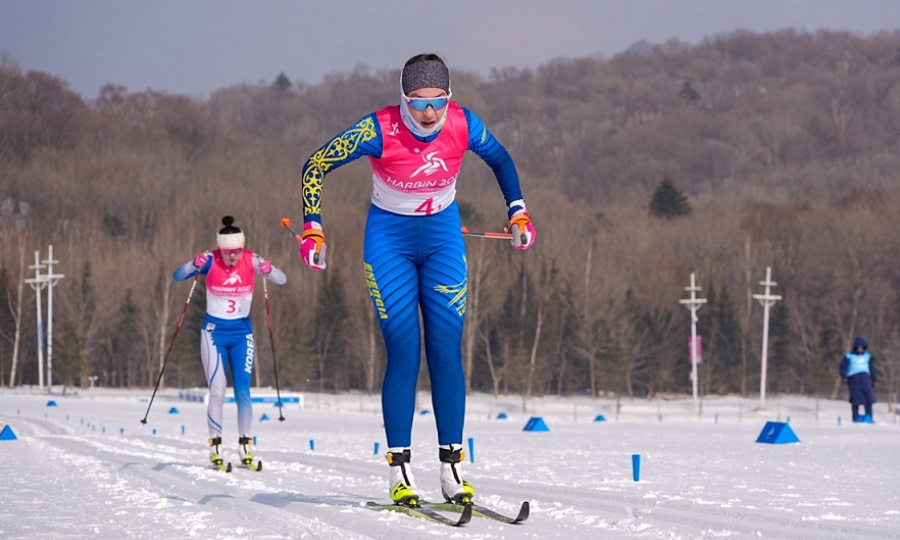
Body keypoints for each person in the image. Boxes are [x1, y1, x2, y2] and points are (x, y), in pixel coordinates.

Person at [296, 53, 535, 505]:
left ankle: (451, 470)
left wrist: (518, 211)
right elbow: (316, 165)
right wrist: (312, 226)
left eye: (438, 102)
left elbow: (502, 160)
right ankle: (399, 471)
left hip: (444, 238)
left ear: (450, 98)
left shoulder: (463, 124)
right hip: (389, 242)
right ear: (401, 99)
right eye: (417, 102)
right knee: (404, 350)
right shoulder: (377, 129)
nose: (428, 113)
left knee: (446, 349)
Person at [173, 216, 287, 468]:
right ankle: (215, 445)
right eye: (227, 251)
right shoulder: (210, 260)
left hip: (242, 333)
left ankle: (245, 446)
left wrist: (269, 269)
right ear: (220, 249)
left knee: (243, 391)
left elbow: (282, 279)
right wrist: (193, 264)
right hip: (214, 332)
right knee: (218, 390)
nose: (232, 256)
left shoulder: (252, 260)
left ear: (243, 247)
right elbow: (178, 276)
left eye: (236, 251)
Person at [839, 336, 877, 423]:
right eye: (858, 347)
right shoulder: (849, 356)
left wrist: (874, 377)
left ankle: (869, 416)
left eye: (862, 347)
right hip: (853, 378)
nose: (860, 349)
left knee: (868, 399)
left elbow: (871, 367)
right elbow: (843, 366)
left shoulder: (867, 356)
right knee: (855, 400)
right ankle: (855, 417)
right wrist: (843, 375)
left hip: (865, 378)